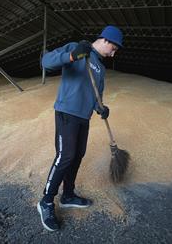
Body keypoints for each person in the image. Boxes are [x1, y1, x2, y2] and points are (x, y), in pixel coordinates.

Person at [37, 25, 123, 231]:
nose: (113, 53)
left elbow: (96, 96)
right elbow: (46, 62)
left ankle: (68, 195)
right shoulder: (77, 48)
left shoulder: (100, 69)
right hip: (67, 112)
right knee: (65, 156)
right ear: (105, 40)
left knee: (77, 155)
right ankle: (46, 201)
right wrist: (73, 56)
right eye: (114, 48)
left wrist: (102, 108)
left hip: (83, 117)